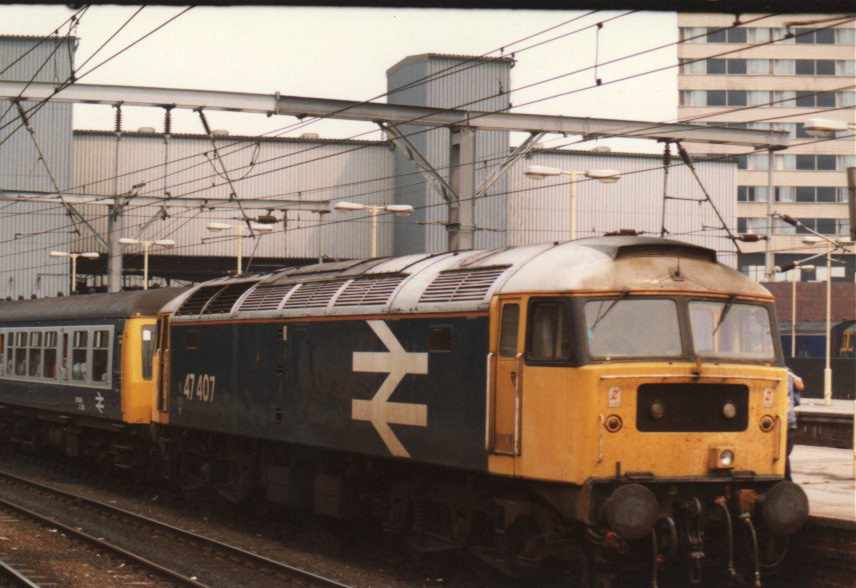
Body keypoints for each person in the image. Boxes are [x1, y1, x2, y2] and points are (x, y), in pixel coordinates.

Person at [785, 368, 804, 481]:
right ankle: (787, 481)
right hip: (790, 421)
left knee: (782, 456)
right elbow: (800, 387)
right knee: (784, 454)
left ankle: (787, 481)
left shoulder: (787, 374)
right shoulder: (789, 373)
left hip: (778, 421)